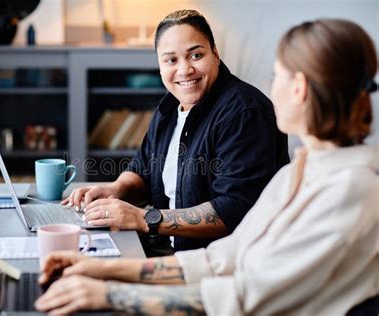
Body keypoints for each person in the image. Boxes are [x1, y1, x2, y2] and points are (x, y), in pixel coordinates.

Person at [35, 18, 378, 315]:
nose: (271, 87)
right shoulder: (297, 174)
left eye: (277, 76)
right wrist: (98, 269)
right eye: (170, 59)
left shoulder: (351, 189)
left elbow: (243, 297)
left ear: (299, 88)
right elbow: (220, 260)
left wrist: (109, 293)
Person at [64, 10, 289, 256]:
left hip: (213, 264)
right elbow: (143, 170)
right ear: (160, 65)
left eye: (196, 55)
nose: (184, 70)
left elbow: (234, 210)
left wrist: (143, 218)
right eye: (171, 60)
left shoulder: (244, 112)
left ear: (215, 54)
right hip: (165, 249)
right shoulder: (169, 109)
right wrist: (116, 189)